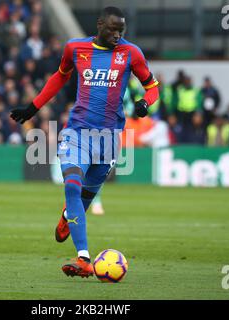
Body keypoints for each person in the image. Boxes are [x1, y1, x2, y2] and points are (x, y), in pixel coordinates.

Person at [10, 7, 159, 278]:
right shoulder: (75, 48)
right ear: (100, 24)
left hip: (109, 138)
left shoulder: (131, 53)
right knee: (72, 184)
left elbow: (153, 87)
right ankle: (83, 258)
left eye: (121, 31)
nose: (117, 36)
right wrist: (33, 108)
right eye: (113, 30)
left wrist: (145, 103)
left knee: (85, 198)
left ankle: (68, 216)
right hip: (77, 132)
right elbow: (59, 77)